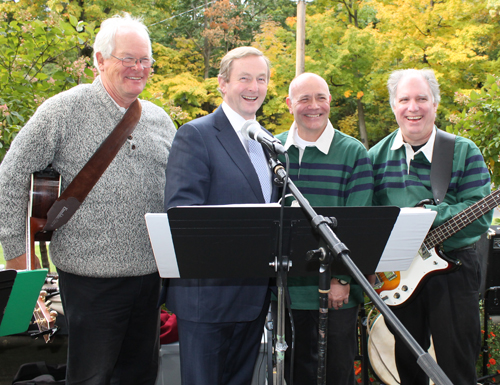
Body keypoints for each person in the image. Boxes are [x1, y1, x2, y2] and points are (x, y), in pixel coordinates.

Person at [0, 14, 176, 385]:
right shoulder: (62, 110)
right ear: (100, 60)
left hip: (149, 277)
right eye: (128, 58)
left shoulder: (160, 120)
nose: (138, 68)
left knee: (140, 376)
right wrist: (19, 254)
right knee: (91, 378)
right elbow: (11, 176)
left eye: (145, 60)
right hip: (90, 279)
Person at [369, 68, 492, 385]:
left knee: (457, 364)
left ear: (435, 104)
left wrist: (424, 217)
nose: (413, 107)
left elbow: (479, 216)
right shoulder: (374, 157)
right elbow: (367, 219)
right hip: (397, 274)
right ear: (393, 105)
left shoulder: (463, 151)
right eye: (405, 99)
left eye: (422, 98)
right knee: (408, 365)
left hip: (455, 270)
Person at [163, 46, 278, 385]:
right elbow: (182, 216)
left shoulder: (269, 142)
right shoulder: (196, 135)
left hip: (254, 295)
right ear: (222, 84)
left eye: (261, 79)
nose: (253, 87)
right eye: (244, 78)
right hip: (207, 297)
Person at [275, 72, 374, 385]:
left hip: (335, 291)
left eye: (320, 97)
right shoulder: (274, 149)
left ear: (329, 101)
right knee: (294, 372)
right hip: (286, 290)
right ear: (290, 104)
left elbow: (359, 220)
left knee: (335, 372)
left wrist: (341, 278)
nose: (313, 106)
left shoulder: (352, 152)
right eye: (304, 99)